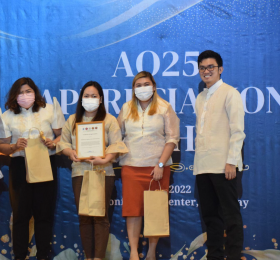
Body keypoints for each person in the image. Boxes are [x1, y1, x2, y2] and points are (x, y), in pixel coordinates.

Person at [57, 81, 128, 260]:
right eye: (86, 96)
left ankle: (98, 257)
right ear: (81, 99)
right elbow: (63, 143)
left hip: (103, 173)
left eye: (94, 96)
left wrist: (104, 159)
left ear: (101, 99)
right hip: (80, 173)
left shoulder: (109, 120)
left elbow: (117, 144)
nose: (90, 99)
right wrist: (70, 152)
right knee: (84, 217)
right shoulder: (72, 120)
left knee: (100, 217)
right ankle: (89, 257)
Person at [0, 77, 65, 260]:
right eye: (21, 92)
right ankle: (20, 256)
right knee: (20, 216)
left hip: (45, 163)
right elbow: (1, 147)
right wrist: (14, 146)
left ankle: (43, 256)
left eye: (28, 91)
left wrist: (53, 143)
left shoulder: (48, 110)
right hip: (19, 166)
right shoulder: (7, 116)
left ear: (35, 93)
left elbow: (63, 136)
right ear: (14, 96)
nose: (25, 96)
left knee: (44, 214)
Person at [117, 71, 180, 260]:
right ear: (133, 89)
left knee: (155, 212)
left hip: (157, 169)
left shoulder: (164, 107)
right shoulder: (126, 108)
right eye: (138, 85)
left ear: (153, 86)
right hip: (131, 167)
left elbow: (172, 138)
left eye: (146, 84)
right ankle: (134, 253)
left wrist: (160, 163)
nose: (142, 88)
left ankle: (152, 253)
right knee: (133, 212)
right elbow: (115, 136)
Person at [194, 50, 245, 260]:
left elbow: (237, 131)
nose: (207, 71)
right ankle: (214, 256)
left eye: (211, 67)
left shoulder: (230, 93)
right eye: (203, 68)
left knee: (230, 216)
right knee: (211, 217)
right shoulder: (200, 97)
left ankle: (233, 256)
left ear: (220, 69)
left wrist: (231, 161)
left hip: (225, 166)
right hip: (203, 166)